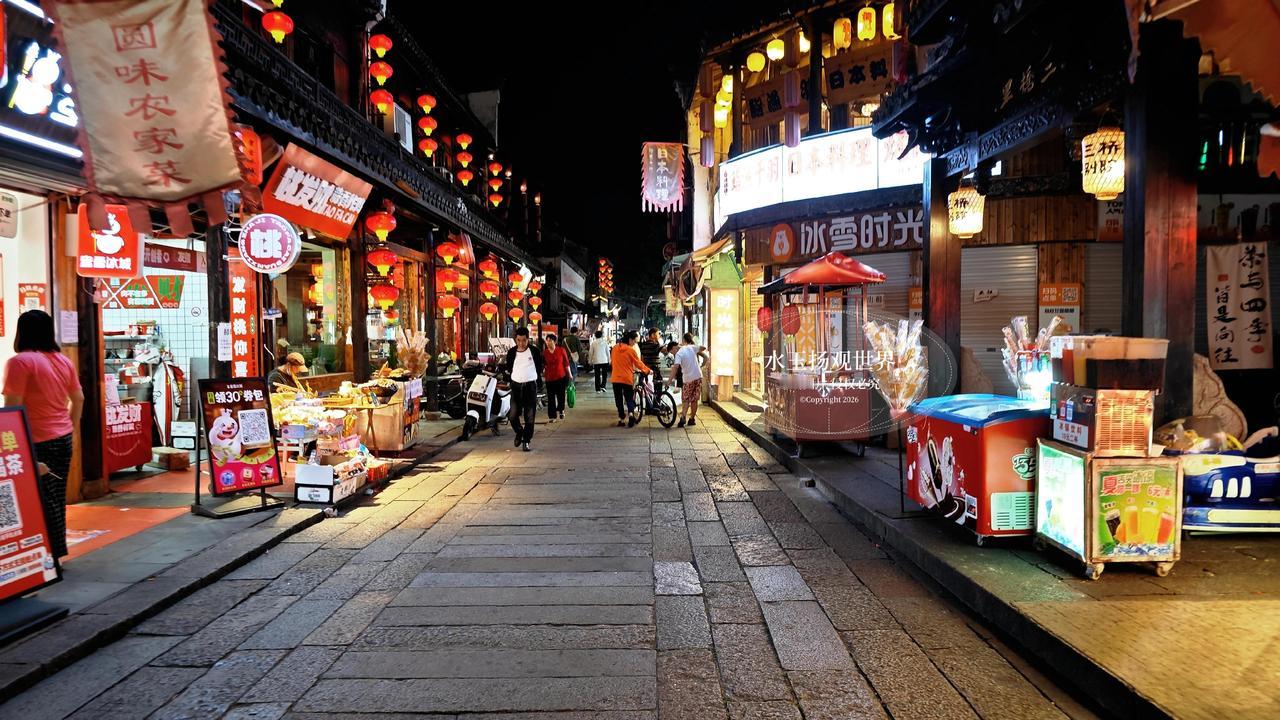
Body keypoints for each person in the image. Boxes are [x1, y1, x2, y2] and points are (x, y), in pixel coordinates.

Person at [2, 310, 84, 559]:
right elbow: (78, 398)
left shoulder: (20, 362)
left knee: (36, 499)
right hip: (62, 437)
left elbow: (12, 409)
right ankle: (55, 552)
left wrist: (11, 446)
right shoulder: (62, 360)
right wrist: (69, 427)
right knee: (55, 497)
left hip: (35, 440)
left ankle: (47, 556)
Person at [502, 327, 543, 451]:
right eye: (518, 340)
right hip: (516, 387)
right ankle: (519, 432)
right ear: (515, 339)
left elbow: (539, 367)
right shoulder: (511, 352)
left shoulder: (534, 351)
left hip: (530, 386)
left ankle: (526, 440)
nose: (521, 343)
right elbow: (509, 368)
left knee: (529, 416)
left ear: (528, 339)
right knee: (513, 415)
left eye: (523, 340)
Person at [611, 330, 651, 427]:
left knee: (618, 399)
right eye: (634, 341)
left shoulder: (615, 348)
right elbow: (638, 363)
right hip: (627, 378)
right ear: (630, 339)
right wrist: (647, 370)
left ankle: (621, 418)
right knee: (629, 397)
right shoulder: (630, 350)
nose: (634, 344)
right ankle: (631, 414)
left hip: (616, 378)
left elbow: (612, 361)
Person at [672, 333, 709, 427]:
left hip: (687, 375)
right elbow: (705, 356)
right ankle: (692, 418)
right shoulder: (693, 347)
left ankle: (683, 416)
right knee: (694, 399)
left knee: (685, 398)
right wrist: (701, 366)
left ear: (684, 340)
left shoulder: (684, 349)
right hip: (696, 375)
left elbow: (676, 366)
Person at [542, 334, 571, 421]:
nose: (548, 342)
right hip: (549, 377)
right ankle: (552, 416)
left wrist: (569, 374)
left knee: (561, 395)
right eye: (547, 340)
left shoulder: (561, 350)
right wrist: (543, 370)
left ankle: (561, 410)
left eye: (550, 340)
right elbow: (544, 364)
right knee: (551, 397)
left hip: (560, 376)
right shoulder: (545, 353)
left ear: (554, 341)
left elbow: (566, 363)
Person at [637, 328, 663, 413]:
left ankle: (649, 408)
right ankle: (656, 407)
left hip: (646, 369)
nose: (659, 336)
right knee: (657, 387)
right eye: (657, 334)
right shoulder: (655, 345)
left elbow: (642, 357)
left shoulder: (644, 344)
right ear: (652, 335)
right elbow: (663, 350)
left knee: (648, 388)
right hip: (654, 369)